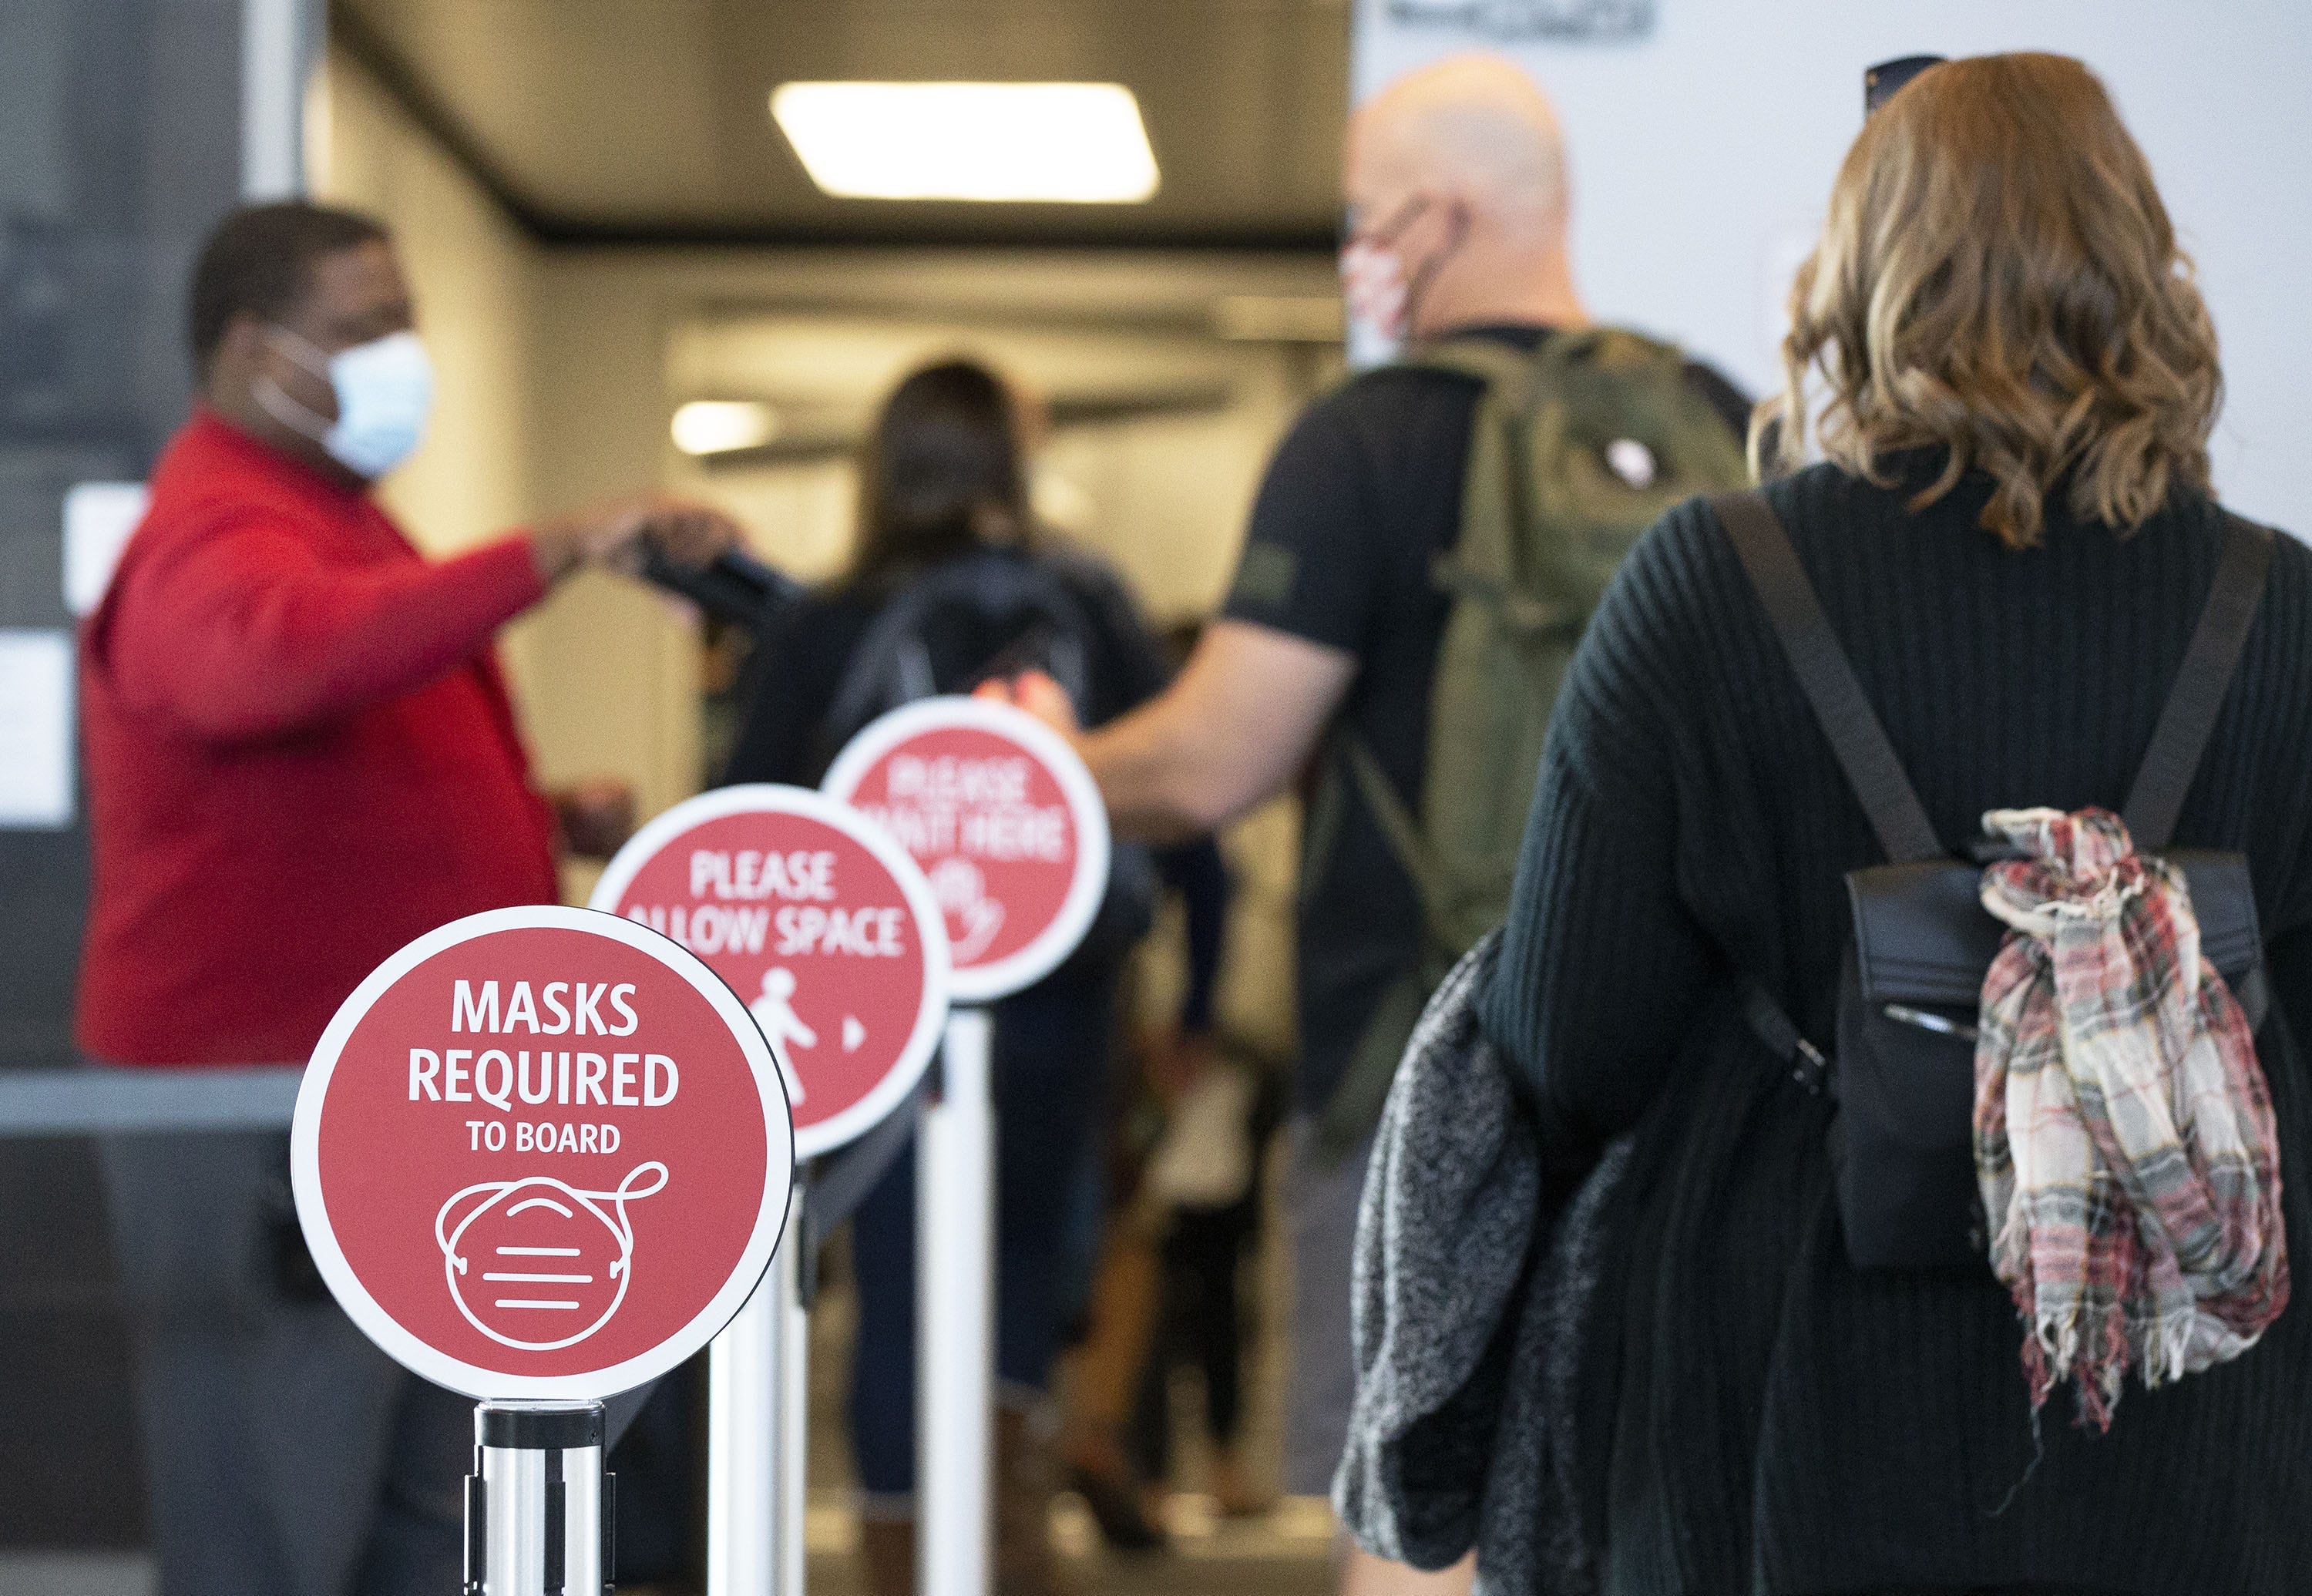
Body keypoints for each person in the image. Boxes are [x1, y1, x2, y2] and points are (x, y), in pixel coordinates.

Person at [1392, 52, 2307, 1594]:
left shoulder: (1707, 587)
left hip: (1780, 1401)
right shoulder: (2281, 613)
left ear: (1855, 276)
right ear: (2145, 268)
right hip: (2196, 1419)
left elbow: (1568, 1039)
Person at [994, 53, 1750, 1583]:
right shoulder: (1717, 420)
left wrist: (1053, 762)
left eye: (1364, 216)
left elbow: (1213, 761)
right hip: (1688, 1075)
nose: (1355, 248)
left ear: (1440, 217)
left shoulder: (1364, 439)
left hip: (1419, 1068)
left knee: (1418, 1525)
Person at [78, 200, 738, 1596]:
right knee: (273, 1522)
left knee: (417, 1519)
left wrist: (533, 818)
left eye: (406, 321)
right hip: (255, 1111)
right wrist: (558, 548)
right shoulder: (212, 525)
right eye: (364, 327)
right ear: (254, 352)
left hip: (373, 1100)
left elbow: (333, 757)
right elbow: (267, 664)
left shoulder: (333, 519)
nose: (402, 355)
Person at [721, 358, 1221, 1596]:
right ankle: (1004, 1549)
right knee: (1028, 1272)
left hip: (880, 1006)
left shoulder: (830, 617)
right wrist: (1200, 998)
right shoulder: (1088, 600)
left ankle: (904, 1562)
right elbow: (1184, 807)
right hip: (1060, 997)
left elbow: (743, 823)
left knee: (897, 1290)